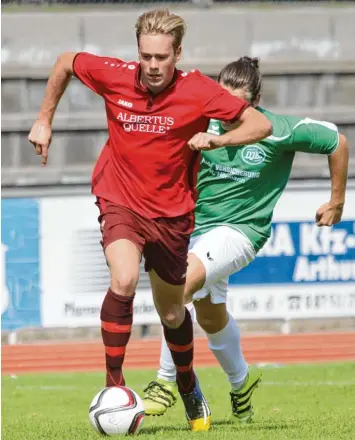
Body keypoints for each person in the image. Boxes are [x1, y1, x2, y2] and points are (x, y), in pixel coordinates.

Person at [27, 9, 272, 432]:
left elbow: (260, 122)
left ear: (178, 53)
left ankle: (187, 382)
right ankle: (114, 388)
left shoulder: (199, 90)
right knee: (122, 280)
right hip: (120, 198)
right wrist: (44, 119)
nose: (153, 66)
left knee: (173, 312)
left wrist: (219, 137)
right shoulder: (116, 75)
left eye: (162, 57)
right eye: (146, 56)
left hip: (172, 213)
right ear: (137, 52)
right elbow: (67, 60)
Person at [143, 56, 349, 422]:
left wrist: (336, 201)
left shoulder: (277, 129)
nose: (228, 111)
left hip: (242, 233)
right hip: (196, 232)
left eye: (237, 104)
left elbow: (337, 141)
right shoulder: (201, 122)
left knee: (179, 287)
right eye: (223, 100)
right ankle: (241, 386)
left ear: (254, 102)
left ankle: (164, 383)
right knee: (209, 316)